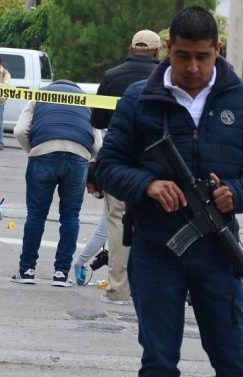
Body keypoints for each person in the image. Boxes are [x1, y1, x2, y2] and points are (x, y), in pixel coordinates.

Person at [95, 7, 243, 377]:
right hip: (158, 250)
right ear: (168, 51)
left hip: (218, 252)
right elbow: (107, 167)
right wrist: (147, 186)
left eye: (202, 56)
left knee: (234, 360)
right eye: (183, 56)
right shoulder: (140, 98)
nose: (193, 68)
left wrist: (236, 193)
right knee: (159, 358)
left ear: (217, 50)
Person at [88, 29, 162, 305]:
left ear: (131, 49)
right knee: (159, 222)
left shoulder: (112, 76)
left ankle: (119, 289)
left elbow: (97, 121)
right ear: (158, 52)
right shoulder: (167, 77)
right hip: (159, 162)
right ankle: (152, 289)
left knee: (118, 223)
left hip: (118, 157)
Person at [11, 79, 102, 287]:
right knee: (70, 217)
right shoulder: (85, 100)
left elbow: (19, 131)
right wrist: (83, 157)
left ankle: (27, 270)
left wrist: (33, 151)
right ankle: (61, 273)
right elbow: (98, 144)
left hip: (42, 153)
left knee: (36, 214)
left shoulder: (39, 96)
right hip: (78, 157)